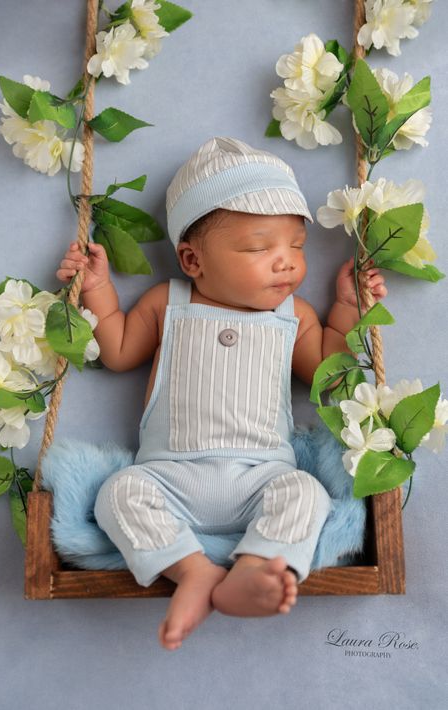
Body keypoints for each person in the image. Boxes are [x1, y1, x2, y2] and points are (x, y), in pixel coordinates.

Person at [57, 137, 387, 651]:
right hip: (168, 476)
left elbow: (327, 370)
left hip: (262, 476)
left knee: (307, 494)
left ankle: (254, 572)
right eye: (260, 248)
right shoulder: (168, 303)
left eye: (295, 247)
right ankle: (193, 573)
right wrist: (97, 288)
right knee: (118, 495)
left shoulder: (293, 317)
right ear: (192, 259)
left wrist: (347, 308)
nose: (286, 263)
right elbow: (118, 350)